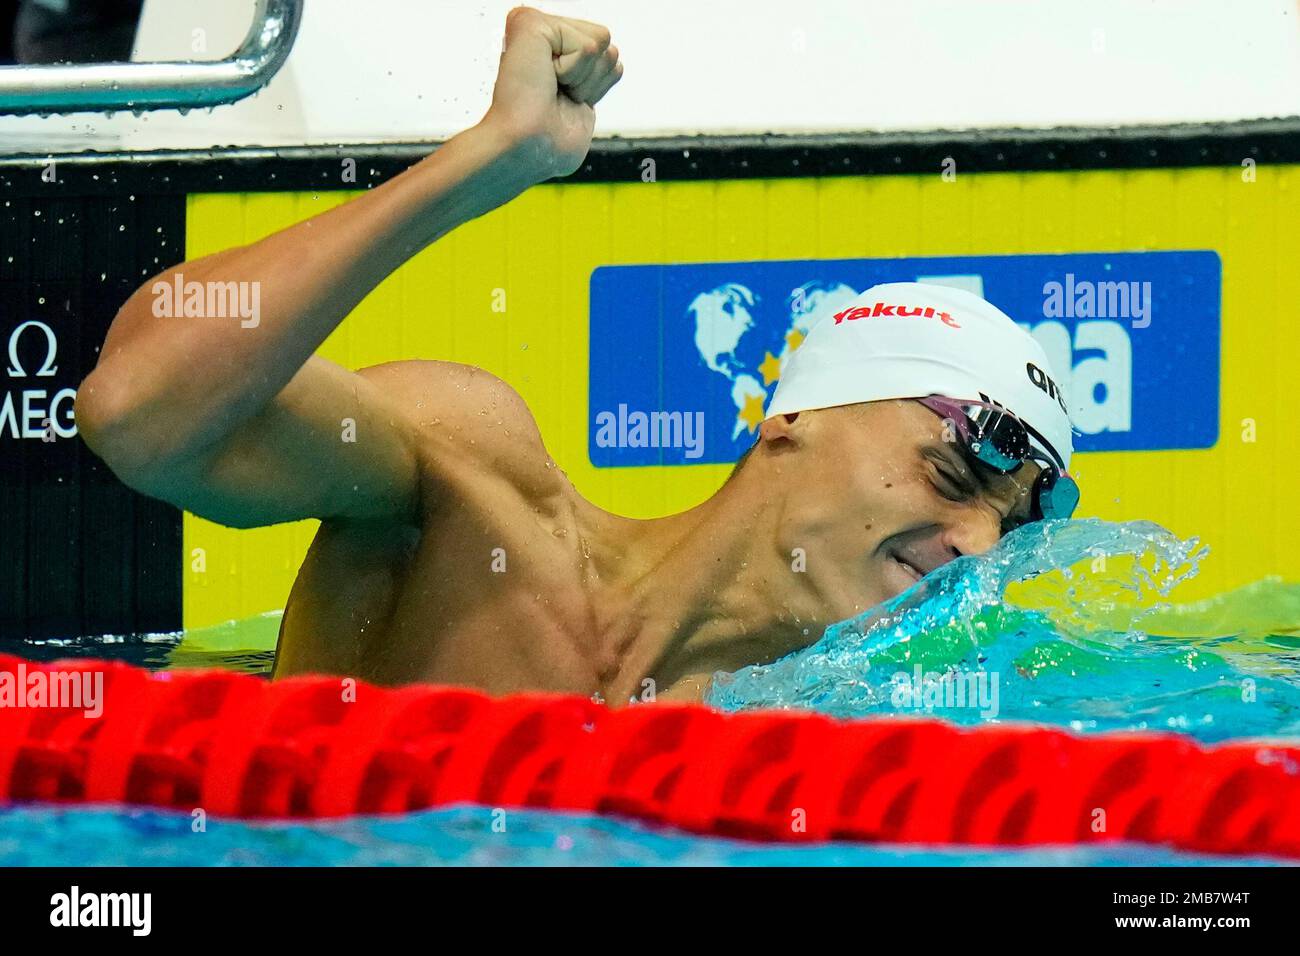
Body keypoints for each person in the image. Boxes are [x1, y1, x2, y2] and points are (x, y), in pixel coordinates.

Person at [76, 6, 1077, 703]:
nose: (977, 550)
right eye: (951, 472)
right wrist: (484, 162)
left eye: (1008, 528)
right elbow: (138, 410)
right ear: (791, 414)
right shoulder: (474, 489)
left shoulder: (836, 740)